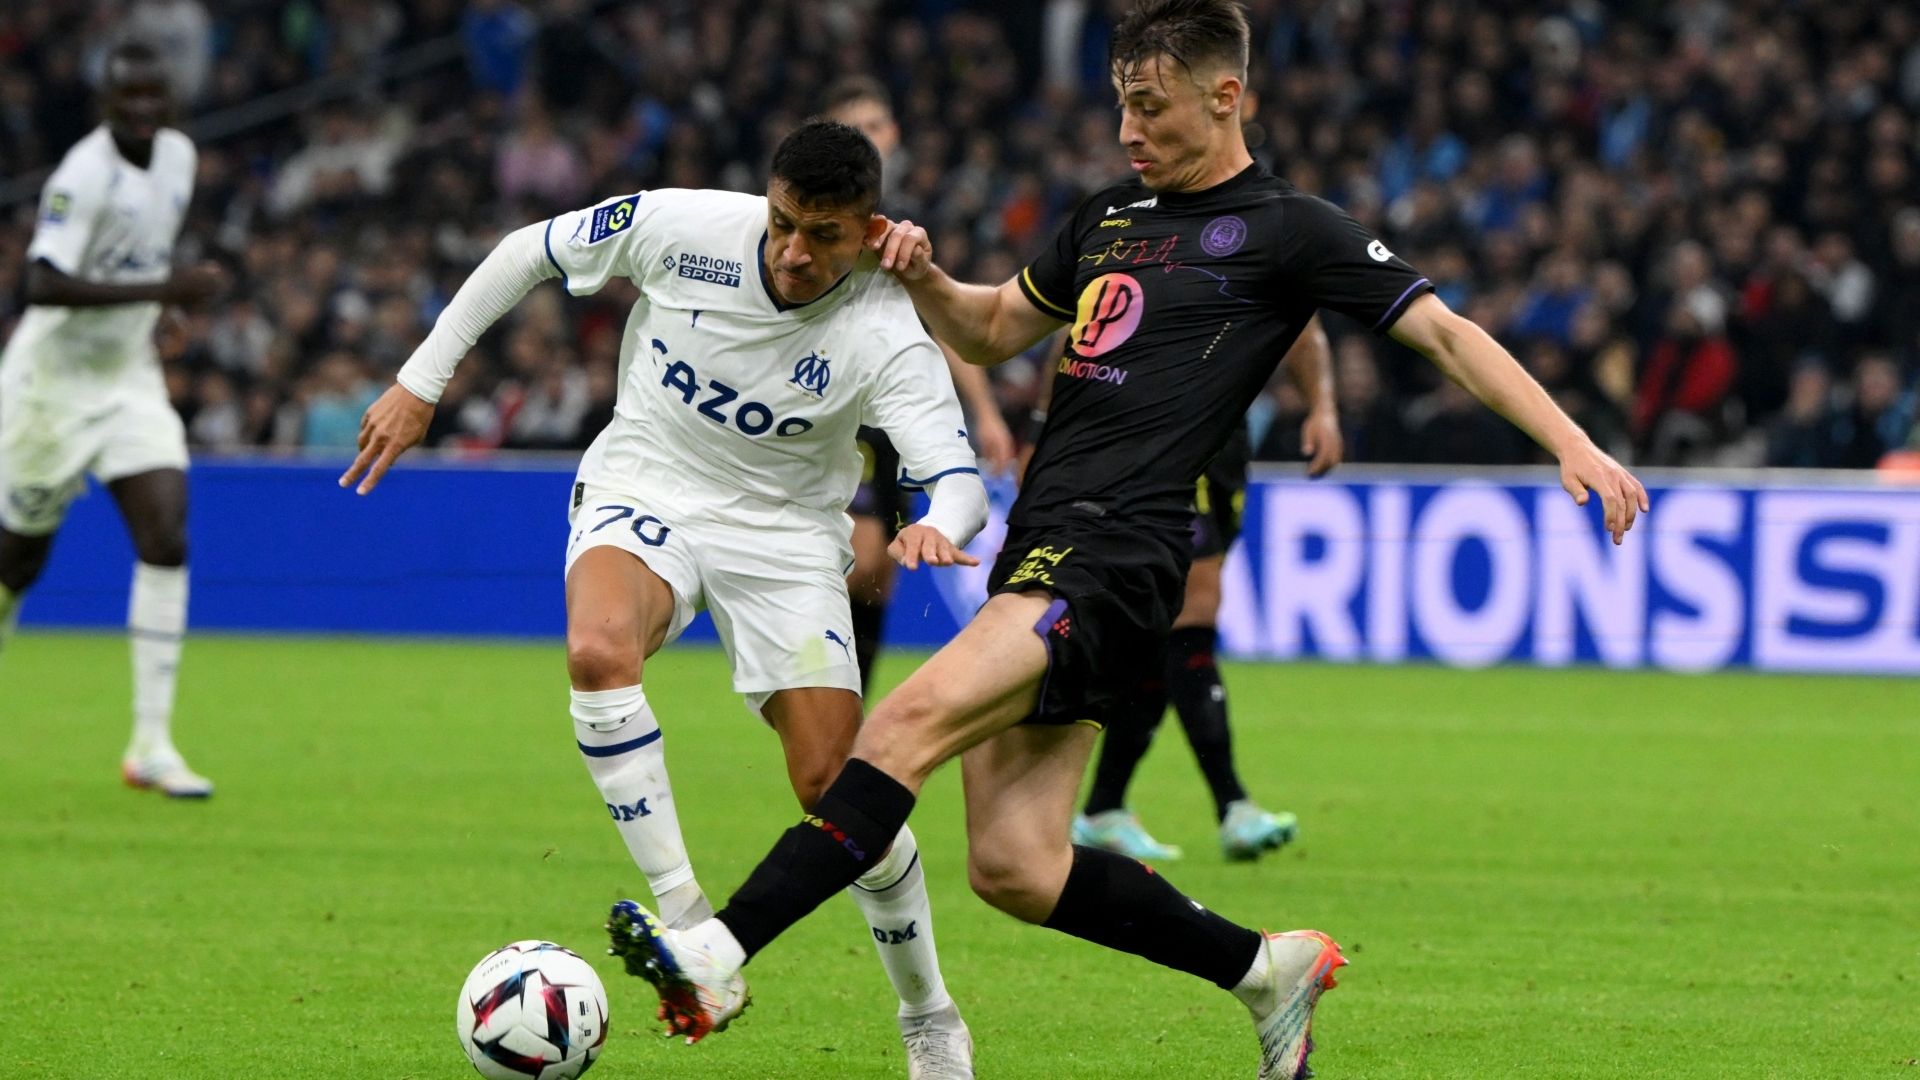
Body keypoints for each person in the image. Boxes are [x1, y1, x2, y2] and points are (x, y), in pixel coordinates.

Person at [608, 4, 1648, 1078]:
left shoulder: (1291, 229)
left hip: (1120, 551)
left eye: (1149, 106)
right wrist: (916, 273)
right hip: (1043, 540)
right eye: (1120, 105)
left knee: (901, 724)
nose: (1127, 129)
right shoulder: (1109, 216)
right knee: (1015, 865)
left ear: (1225, 96)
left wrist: (1571, 442)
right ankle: (1265, 970)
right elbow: (993, 327)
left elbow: (1440, 328)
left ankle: (719, 951)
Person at [342, 121, 983, 1078]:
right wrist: (420, 382)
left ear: (869, 232)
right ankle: (688, 926)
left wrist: (945, 522)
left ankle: (928, 1012)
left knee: (838, 791)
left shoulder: (888, 329)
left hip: (783, 540)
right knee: (599, 653)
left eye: (824, 236)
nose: (794, 252)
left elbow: (958, 472)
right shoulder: (685, 228)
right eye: (781, 223)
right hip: (646, 485)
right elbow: (530, 251)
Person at [0, 40, 227, 798]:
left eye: (153, 97)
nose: (141, 110)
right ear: (106, 100)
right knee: (18, 562)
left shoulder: (179, 158)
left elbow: (134, 262)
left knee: (166, 531)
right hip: (48, 390)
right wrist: (164, 288)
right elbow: (40, 285)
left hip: (128, 381)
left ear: (169, 98)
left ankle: (152, 746)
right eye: (127, 97)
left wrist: (157, 311)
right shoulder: (83, 174)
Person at [1072, 316, 1340, 863]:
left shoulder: (1268, 240)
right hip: (1165, 432)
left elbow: (1302, 325)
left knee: (1163, 637)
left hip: (1225, 438)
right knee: (1194, 611)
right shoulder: (1165, 245)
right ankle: (1232, 805)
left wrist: (1322, 406)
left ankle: (1104, 807)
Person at [824, 76, 1016, 694]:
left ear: (894, 136)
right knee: (864, 555)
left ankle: (846, 702)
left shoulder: (904, 225)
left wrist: (984, 413)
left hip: (895, 416)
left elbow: (944, 324)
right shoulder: (816, 218)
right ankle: (814, 681)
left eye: (877, 128)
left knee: (882, 573)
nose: (871, 140)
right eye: (856, 131)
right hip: (836, 407)